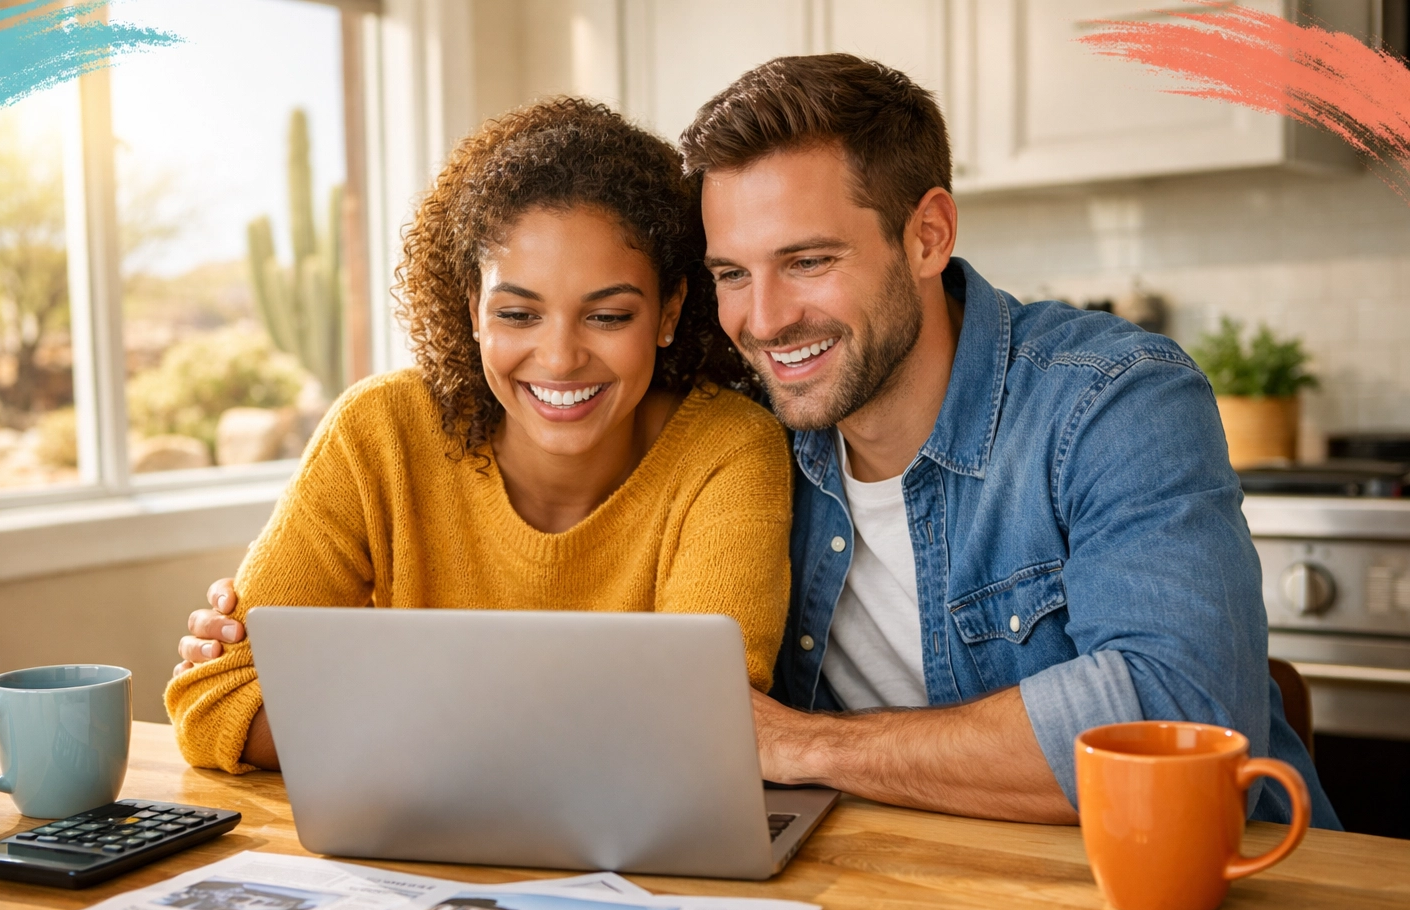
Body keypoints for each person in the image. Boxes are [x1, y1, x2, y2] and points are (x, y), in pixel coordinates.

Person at [182, 56, 1337, 828]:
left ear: (928, 232)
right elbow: (634, 713)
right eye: (734, 272)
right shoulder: (761, 431)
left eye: (810, 261)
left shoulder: (1111, 401)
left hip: (1227, 905)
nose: (766, 318)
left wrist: (810, 746)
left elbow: (1182, 713)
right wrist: (363, 660)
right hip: (910, 891)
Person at [166, 98, 793, 774]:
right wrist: (578, 720)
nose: (558, 358)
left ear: (668, 312)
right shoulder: (379, 433)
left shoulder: (728, 451)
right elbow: (214, 701)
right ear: (472, 310)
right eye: (518, 313)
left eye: (607, 315)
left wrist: (370, 706)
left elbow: (697, 725)